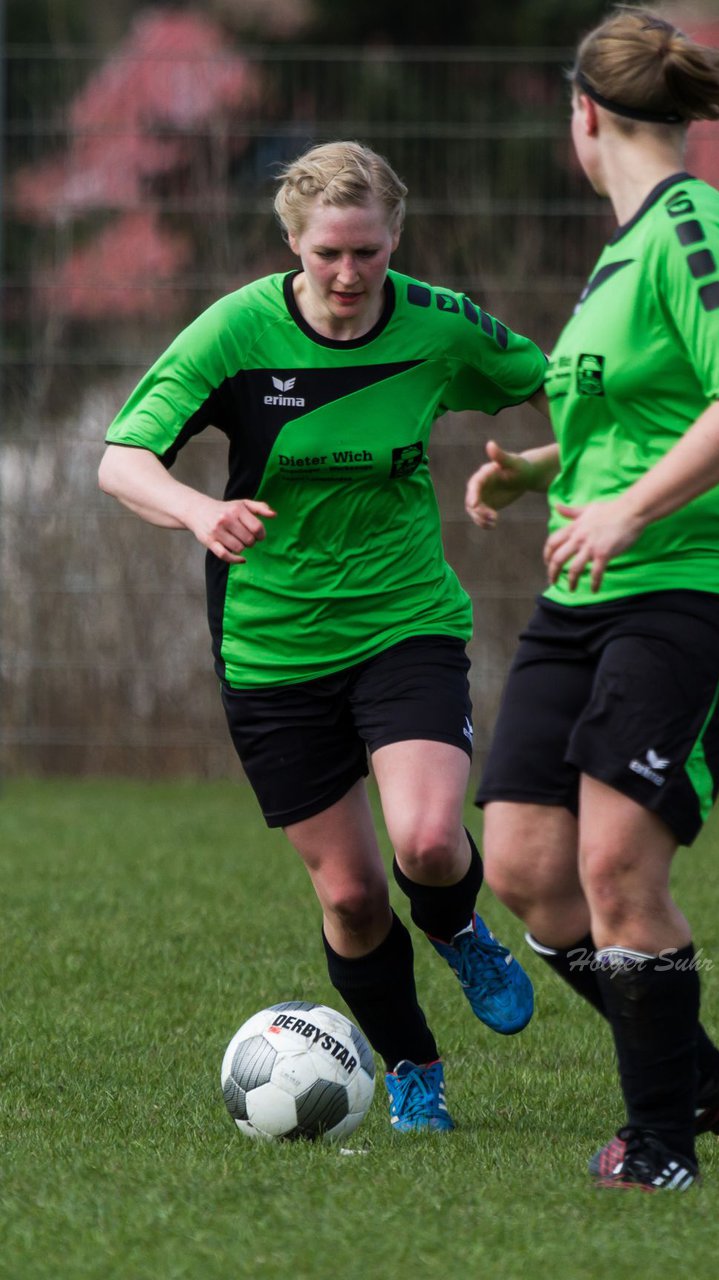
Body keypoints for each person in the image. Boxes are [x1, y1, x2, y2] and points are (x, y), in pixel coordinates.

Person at [99, 140, 545, 1133]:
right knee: (348, 896)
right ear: (291, 241)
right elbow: (123, 458)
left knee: (427, 841)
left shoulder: (436, 326)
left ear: (395, 237)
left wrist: (548, 466)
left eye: (367, 252)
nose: (347, 276)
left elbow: (554, 382)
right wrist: (193, 510)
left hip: (403, 620)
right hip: (272, 647)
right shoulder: (236, 332)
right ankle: (413, 1065)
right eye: (326, 255)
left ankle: (459, 926)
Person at [465, 8, 719, 1189]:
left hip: (698, 580)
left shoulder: (694, 225)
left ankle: (659, 1142)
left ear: (584, 115)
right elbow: (638, 417)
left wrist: (625, 510)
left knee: (614, 867)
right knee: (521, 862)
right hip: (592, 582)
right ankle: (694, 1070)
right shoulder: (618, 256)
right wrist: (541, 472)